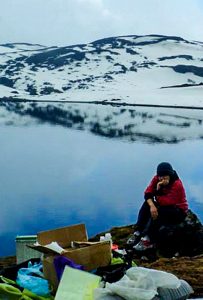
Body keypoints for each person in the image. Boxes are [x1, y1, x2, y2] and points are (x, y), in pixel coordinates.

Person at [133, 162, 188, 251]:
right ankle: (138, 231)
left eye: (165, 176)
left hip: (178, 210)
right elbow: (147, 193)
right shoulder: (156, 178)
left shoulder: (177, 184)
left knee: (159, 212)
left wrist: (158, 189)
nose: (162, 178)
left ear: (169, 175)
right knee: (147, 204)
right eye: (160, 176)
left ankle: (148, 240)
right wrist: (151, 205)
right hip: (164, 206)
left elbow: (166, 202)